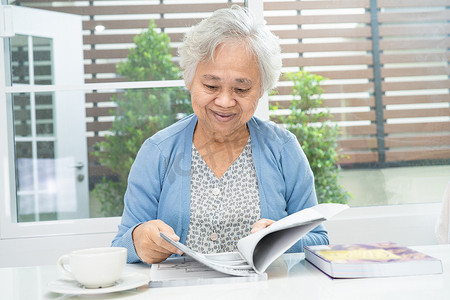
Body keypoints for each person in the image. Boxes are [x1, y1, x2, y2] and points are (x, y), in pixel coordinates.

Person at [112, 5, 328, 264]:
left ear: (261, 90)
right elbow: (122, 246)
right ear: (189, 80)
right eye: (211, 85)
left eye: (242, 88)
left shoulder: (283, 149)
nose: (225, 101)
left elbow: (319, 239)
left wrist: (281, 238)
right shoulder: (157, 151)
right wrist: (140, 240)